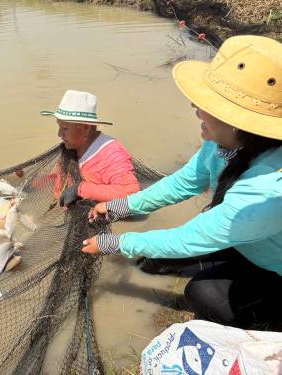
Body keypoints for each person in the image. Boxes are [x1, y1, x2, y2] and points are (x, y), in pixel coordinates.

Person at [82, 35, 282, 329]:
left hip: (273, 265)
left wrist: (115, 242)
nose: (194, 106)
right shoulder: (220, 143)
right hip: (242, 238)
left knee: (202, 294)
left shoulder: (268, 191)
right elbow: (182, 183)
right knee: (152, 263)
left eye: (206, 105)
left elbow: (186, 239)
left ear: (238, 122)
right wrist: (121, 205)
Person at [41, 90, 140, 206]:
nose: (59, 134)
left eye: (65, 128)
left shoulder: (112, 153)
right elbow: (58, 178)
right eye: (59, 126)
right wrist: (28, 186)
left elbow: (132, 194)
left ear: (86, 128)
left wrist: (80, 190)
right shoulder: (71, 147)